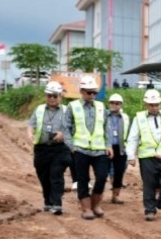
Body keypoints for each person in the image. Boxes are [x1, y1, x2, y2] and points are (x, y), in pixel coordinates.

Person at [126, 89, 161, 221]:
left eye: (156, 104)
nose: (154, 107)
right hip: (147, 157)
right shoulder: (139, 118)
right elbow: (133, 138)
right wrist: (130, 156)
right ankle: (150, 210)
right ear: (146, 104)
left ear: (160, 104)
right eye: (151, 105)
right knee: (149, 184)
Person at [66, 75, 112, 220]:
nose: (92, 95)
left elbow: (107, 127)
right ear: (81, 91)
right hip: (80, 149)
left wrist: (108, 145)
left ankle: (96, 204)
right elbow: (66, 127)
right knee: (82, 179)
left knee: (102, 177)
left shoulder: (100, 106)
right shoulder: (72, 107)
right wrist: (71, 145)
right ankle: (86, 208)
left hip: (99, 150)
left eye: (94, 92)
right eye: (89, 92)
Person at [27, 82, 74, 215]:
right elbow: (31, 124)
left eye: (55, 96)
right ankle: (48, 200)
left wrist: (63, 134)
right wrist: (30, 134)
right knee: (43, 176)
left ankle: (57, 203)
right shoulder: (40, 109)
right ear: (46, 96)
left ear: (60, 96)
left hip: (60, 148)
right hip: (42, 148)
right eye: (49, 96)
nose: (52, 98)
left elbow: (73, 128)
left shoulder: (66, 111)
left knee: (56, 174)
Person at [106, 93, 131, 204]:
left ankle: (115, 196)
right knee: (103, 172)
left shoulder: (125, 117)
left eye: (117, 103)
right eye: (112, 103)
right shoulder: (104, 115)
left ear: (121, 105)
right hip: (106, 147)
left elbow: (128, 133)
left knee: (119, 172)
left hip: (120, 147)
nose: (114, 105)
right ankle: (98, 194)